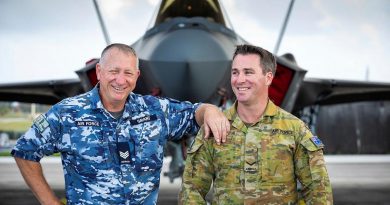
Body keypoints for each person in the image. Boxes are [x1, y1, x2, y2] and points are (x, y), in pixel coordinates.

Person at [11, 43, 230, 205]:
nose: (120, 80)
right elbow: (25, 151)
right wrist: (50, 202)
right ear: (99, 72)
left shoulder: (155, 111)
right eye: (113, 71)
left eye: (127, 73)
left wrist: (210, 111)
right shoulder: (67, 113)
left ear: (136, 76)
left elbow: (194, 113)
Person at [180, 44, 333, 204]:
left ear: (268, 77)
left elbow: (319, 192)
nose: (239, 80)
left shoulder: (295, 129)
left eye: (248, 72)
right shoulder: (213, 128)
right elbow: (191, 191)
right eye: (235, 72)